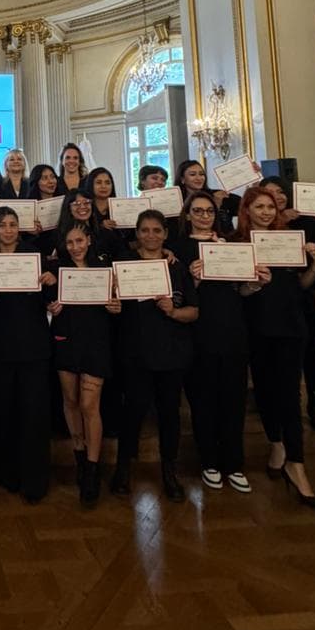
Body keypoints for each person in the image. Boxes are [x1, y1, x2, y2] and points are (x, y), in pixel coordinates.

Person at [234, 187, 315, 510]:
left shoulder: (290, 240)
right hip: (256, 328)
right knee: (265, 390)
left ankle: (297, 465)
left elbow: (300, 285)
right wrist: (253, 284)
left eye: (270, 207)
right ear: (247, 209)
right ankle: (276, 444)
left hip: (291, 326)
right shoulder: (237, 244)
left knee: (290, 392)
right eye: (259, 207)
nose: (266, 212)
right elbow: (238, 294)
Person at [110, 210, 198, 502]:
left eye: (156, 230)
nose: (150, 235)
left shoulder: (177, 268)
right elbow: (113, 305)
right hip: (135, 354)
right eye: (145, 230)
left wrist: (173, 311)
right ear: (136, 234)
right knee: (132, 412)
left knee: (169, 415)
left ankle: (169, 472)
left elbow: (194, 312)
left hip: (172, 354)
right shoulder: (124, 265)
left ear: (165, 234)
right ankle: (123, 469)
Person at [176, 192, 251, 493]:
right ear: (187, 214)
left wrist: (255, 281)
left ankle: (234, 462)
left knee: (234, 399)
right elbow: (178, 293)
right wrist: (193, 280)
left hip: (233, 328)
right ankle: (209, 461)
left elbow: (242, 290)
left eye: (209, 211)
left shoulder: (231, 244)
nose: (204, 216)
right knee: (203, 399)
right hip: (198, 332)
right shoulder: (179, 248)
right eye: (198, 211)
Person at [0, 206, 56, 503]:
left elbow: (50, 300)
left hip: (33, 346)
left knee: (34, 415)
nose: (9, 229)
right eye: (4, 225)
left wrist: (49, 285)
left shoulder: (34, 254)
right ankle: (7, 473)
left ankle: (35, 479)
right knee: (3, 413)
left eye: (14, 224)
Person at [47, 223, 121, 507]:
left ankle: (92, 467)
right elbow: (47, 303)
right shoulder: (56, 270)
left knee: (90, 405)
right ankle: (79, 452)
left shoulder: (106, 270)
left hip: (97, 341)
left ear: (89, 241)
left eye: (80, 240)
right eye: (70, 241)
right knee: (71, 399)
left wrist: (116, 307)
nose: (75, 246)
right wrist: (51, 306)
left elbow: (116, 305)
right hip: (66, 338)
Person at [260, 175, 315, 432]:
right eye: (268, 194)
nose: (276, 197)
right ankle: (284, 408)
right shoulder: (258, 229)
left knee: (310, 352)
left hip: (305, 298)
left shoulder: (309, 222)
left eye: (279, 192)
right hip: (273, 304)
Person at [174, 159, 239, 230]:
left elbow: (246, 206)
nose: (199, 178)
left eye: (201, 174)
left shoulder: (218, 195)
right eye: (193, 174)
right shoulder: (176, 202)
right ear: (182, 179)